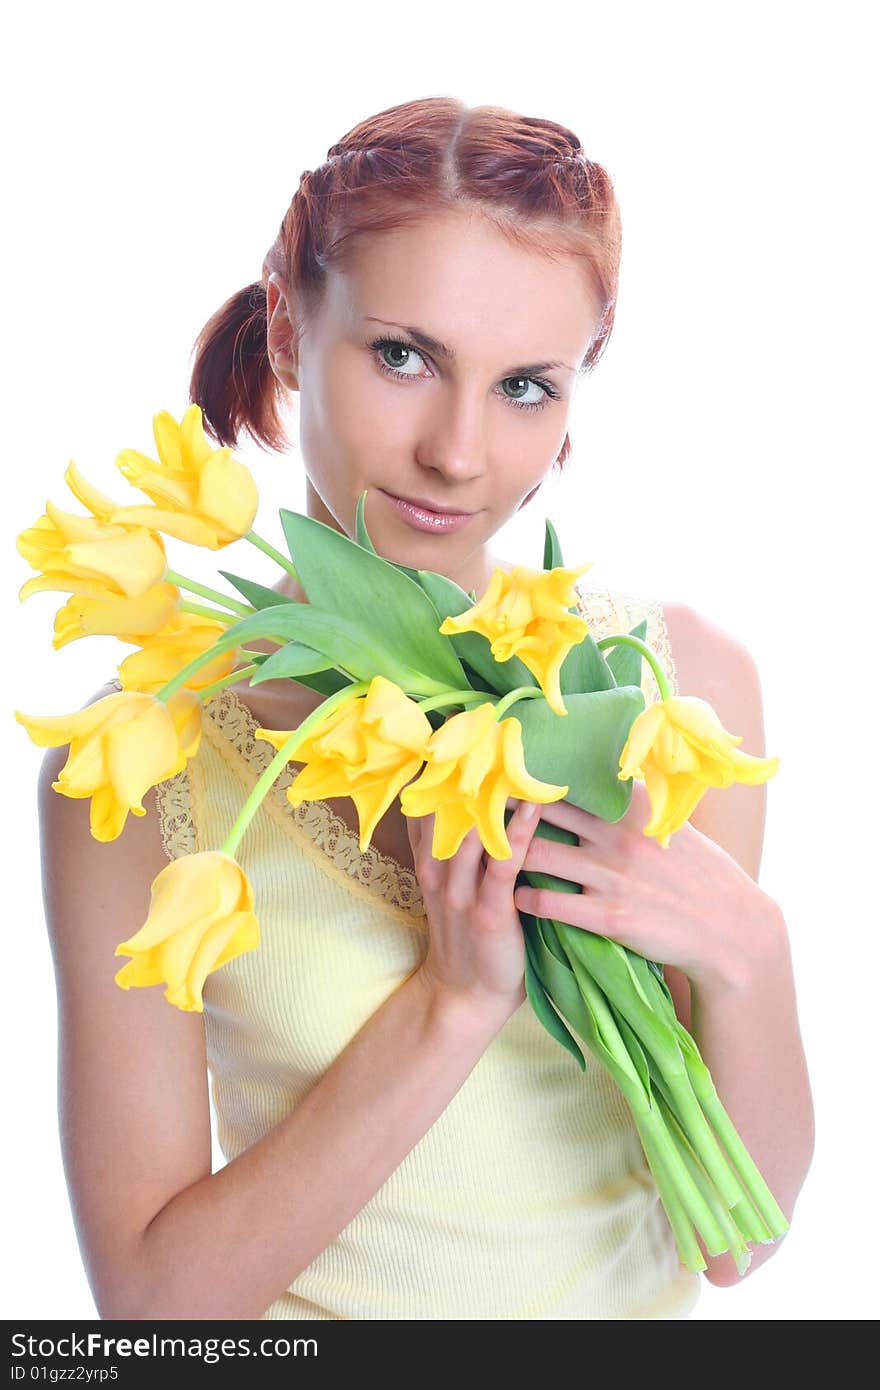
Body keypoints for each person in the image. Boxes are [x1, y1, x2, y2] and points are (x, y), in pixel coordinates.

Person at [36, 95, 813, 1321]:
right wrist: (452, 1005)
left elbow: (733, 1240)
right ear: (289, 329)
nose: (460, 452)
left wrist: (750, 957)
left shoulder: (673, 688)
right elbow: (152, 1310)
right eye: (403, 355)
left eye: (524, 387)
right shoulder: (145, 762)